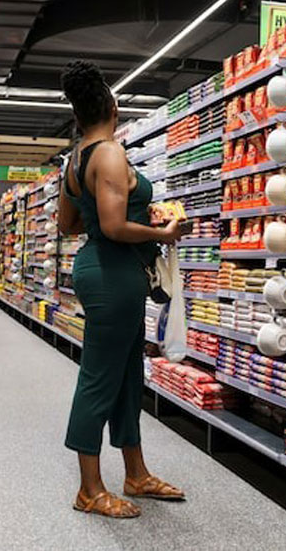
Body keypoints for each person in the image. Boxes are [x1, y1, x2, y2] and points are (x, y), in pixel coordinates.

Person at [57, 60, 184, 519]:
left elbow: (68, 223)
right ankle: (89, 489)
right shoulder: (108, 152)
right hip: (113, 274)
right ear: (113, 106)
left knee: (128, 374)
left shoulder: (74, 159)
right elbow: (112, 226)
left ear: (77, 116)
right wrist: (162, 233)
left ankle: (136, 472)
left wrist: (124, 214)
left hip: (104, 268)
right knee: (98, 378)